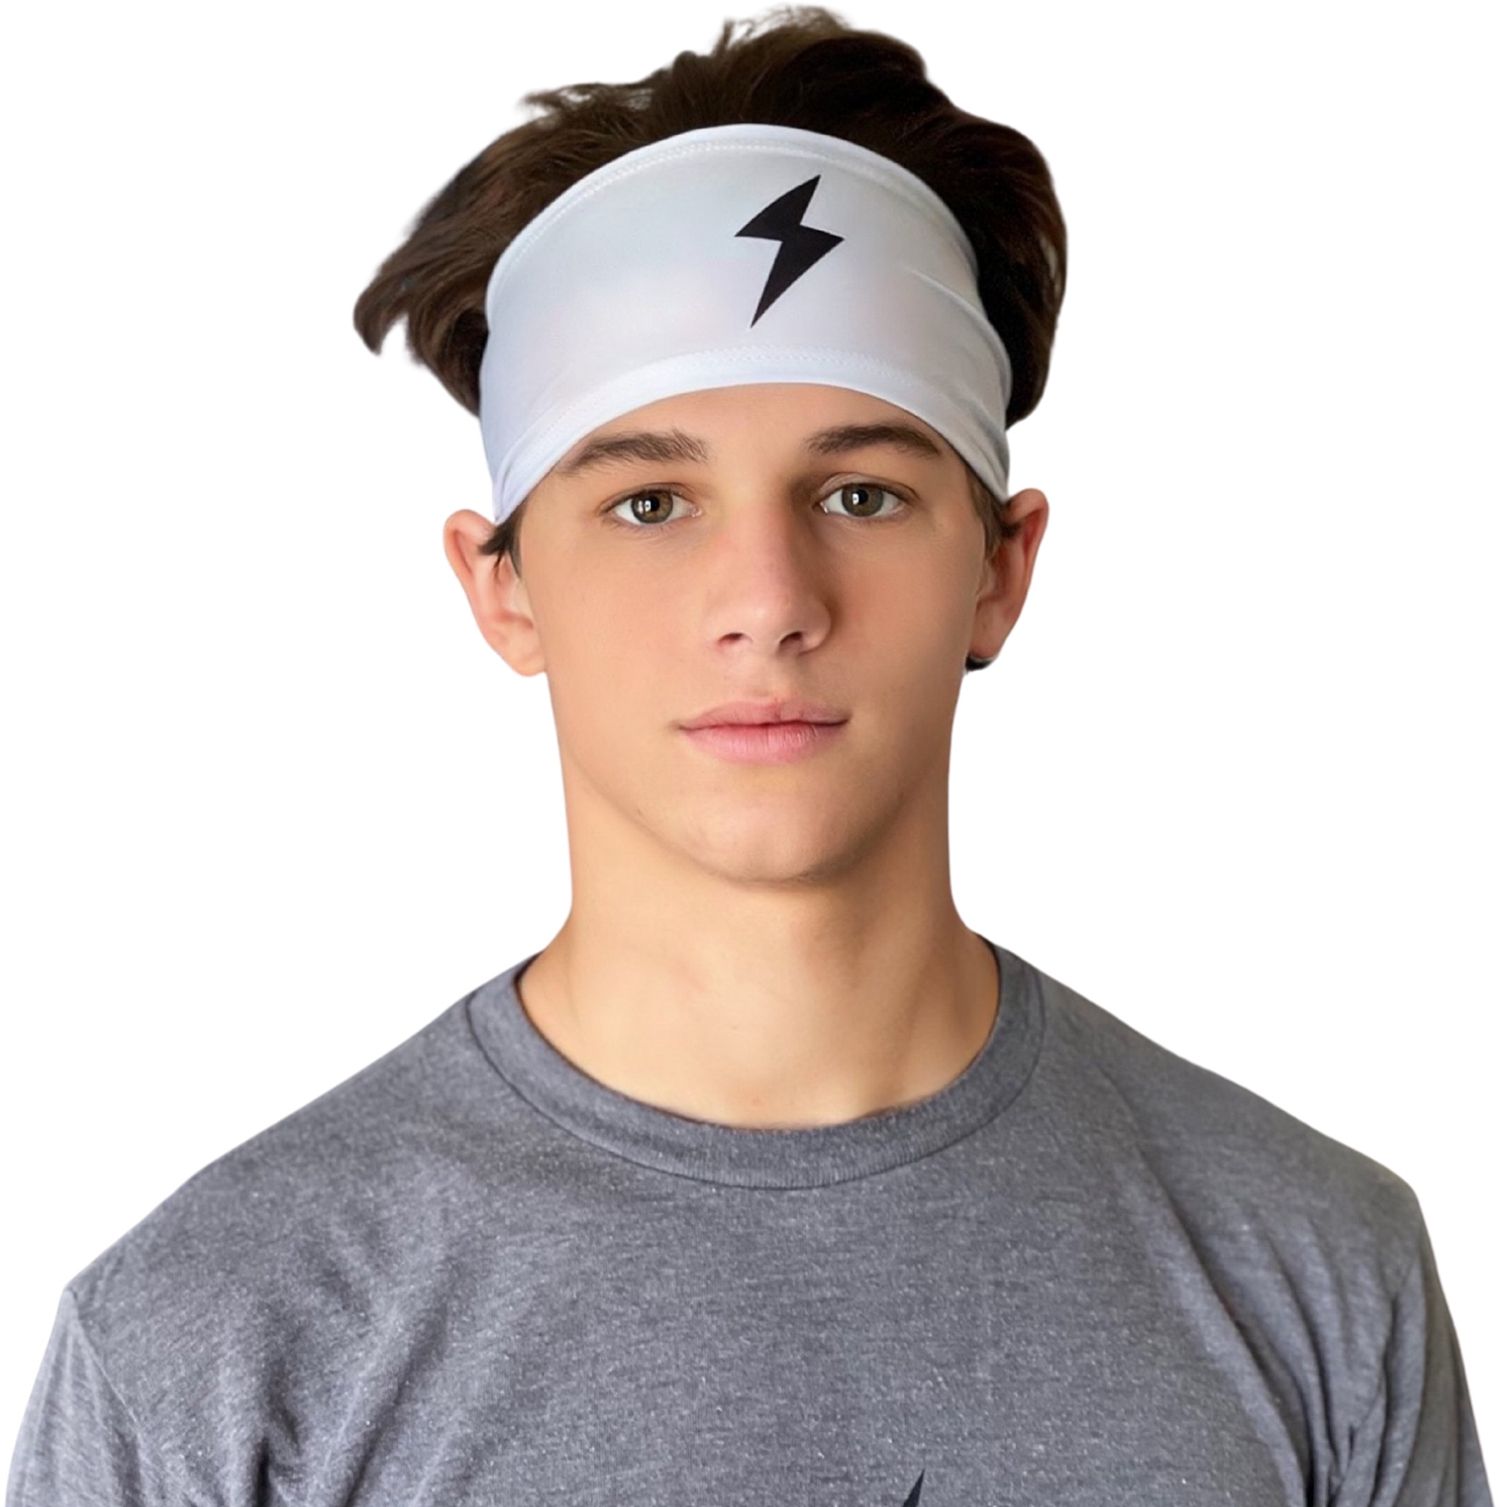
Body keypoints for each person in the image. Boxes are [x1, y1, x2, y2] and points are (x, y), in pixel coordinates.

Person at [6, 8, 1490, 1505]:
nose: (769, 602)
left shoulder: (1319, 1278)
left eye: (860, 496)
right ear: (501, 588)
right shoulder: (213, 1343)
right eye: (650, 505)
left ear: (1000, 567)